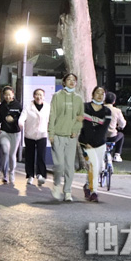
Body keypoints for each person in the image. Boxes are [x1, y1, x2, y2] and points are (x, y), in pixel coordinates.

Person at [48, 73, 84, 202]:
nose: (71, 82)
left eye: (74, 80)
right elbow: (52, 115)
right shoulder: (57, 96)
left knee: (69, 166)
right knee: (59, 165)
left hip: (71, 136)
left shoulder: (78, 99)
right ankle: (57, 185)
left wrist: (75, 130)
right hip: (58, 135)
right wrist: (51, 133)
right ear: (64, 82)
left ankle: (67, 191)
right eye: (69, 79)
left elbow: (80, 117)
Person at [80, 86, 112, 202]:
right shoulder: (85, 107)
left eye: (102, 93)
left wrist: (97, 142)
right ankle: (94, 192)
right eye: (97, 93)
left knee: (98, 168)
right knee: (93, 165)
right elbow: (85, 126)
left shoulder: (107, 111)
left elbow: (103, 129)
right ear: (93, 94)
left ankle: (87, 185)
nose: (100, 95)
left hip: (100, 143)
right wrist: (87, 142)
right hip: (86, 143)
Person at [18, 88, 51, 186]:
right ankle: (30, 175)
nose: (39, 97)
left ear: (44, 97)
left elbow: (51, 119)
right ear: (33, 96)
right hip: (30, 135)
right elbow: (22, 117)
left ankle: (41, 175)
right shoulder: (28, 107)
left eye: (41, 95)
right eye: (37, 94)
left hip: (42, 134)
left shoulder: (47, 107)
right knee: (30, 156)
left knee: (41, 156)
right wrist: (21, 123)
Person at [0, 86, 22, 184]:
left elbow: (21, 118)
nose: (7, 97)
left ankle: (12, 172)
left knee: (12, 154)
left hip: (15, 132)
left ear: (13, 94)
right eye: (6, 95)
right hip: (4, 132)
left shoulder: (18, 105)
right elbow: (0, 119)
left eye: (9, 95)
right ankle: (5, 174)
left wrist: (14, 120)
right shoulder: (1, 106)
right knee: (5, 152)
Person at [104, 91, 127, 162]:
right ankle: (117, 154)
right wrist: (120, 126)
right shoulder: (117, 111)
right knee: (121, 135)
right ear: (114, 101)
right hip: (112, 136)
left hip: (100, 137)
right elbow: (122, 123)